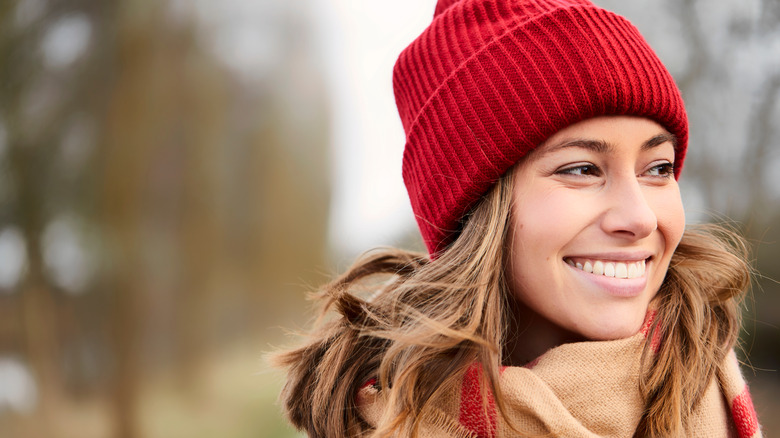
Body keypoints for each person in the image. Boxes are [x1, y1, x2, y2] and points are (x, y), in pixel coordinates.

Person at [274, 0, 762, 436]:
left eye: (657, 168)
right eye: (582, 169)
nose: (639, 218)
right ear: (477, 209)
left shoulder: (708, 389)